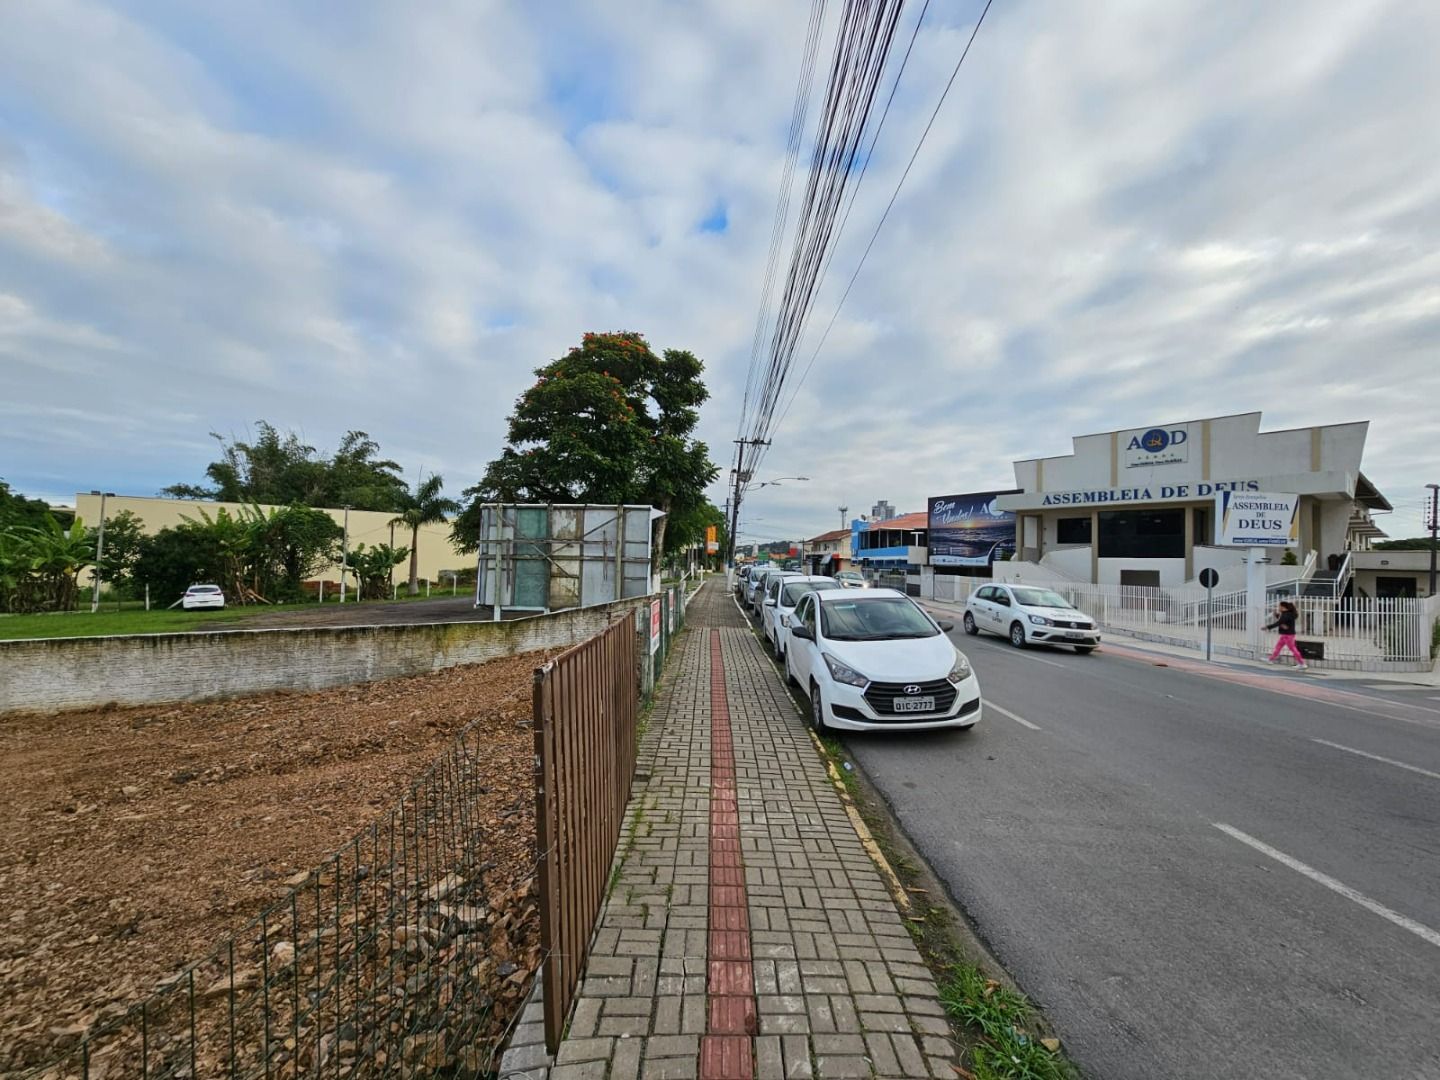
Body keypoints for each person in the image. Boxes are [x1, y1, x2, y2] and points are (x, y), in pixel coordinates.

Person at [1264, 600, 1306, 669]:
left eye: (1279, 606)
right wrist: (1277, 616)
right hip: (1286, 634)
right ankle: (1270, 659)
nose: (1278, 607)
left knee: (1293, 649)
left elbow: (1279, 623)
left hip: (1288, 635)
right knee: (1278, 647)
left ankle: (1302, 663)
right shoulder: (1287, 614)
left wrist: (1267, 627)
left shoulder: (1286, 614)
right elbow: (1282, 621)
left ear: (1283, 607)